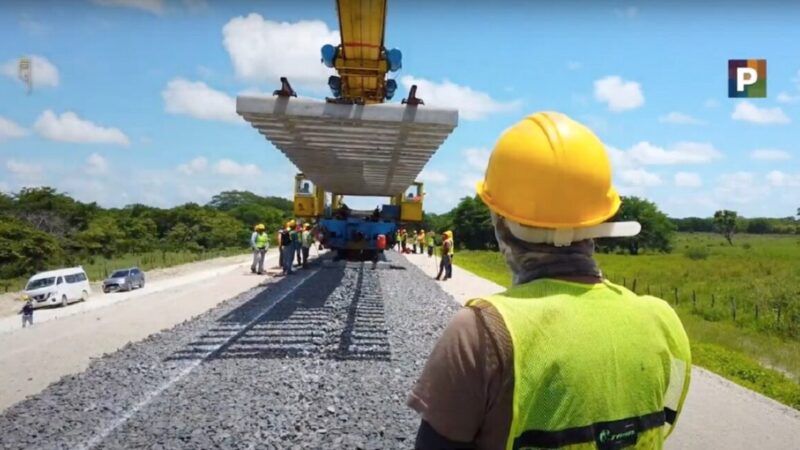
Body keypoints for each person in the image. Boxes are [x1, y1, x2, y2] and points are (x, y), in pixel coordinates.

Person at [408, 112, 692, 450]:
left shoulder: (481, 332)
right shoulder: (663, 323)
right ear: (599, 220)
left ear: (501, 223)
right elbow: (664, 419)